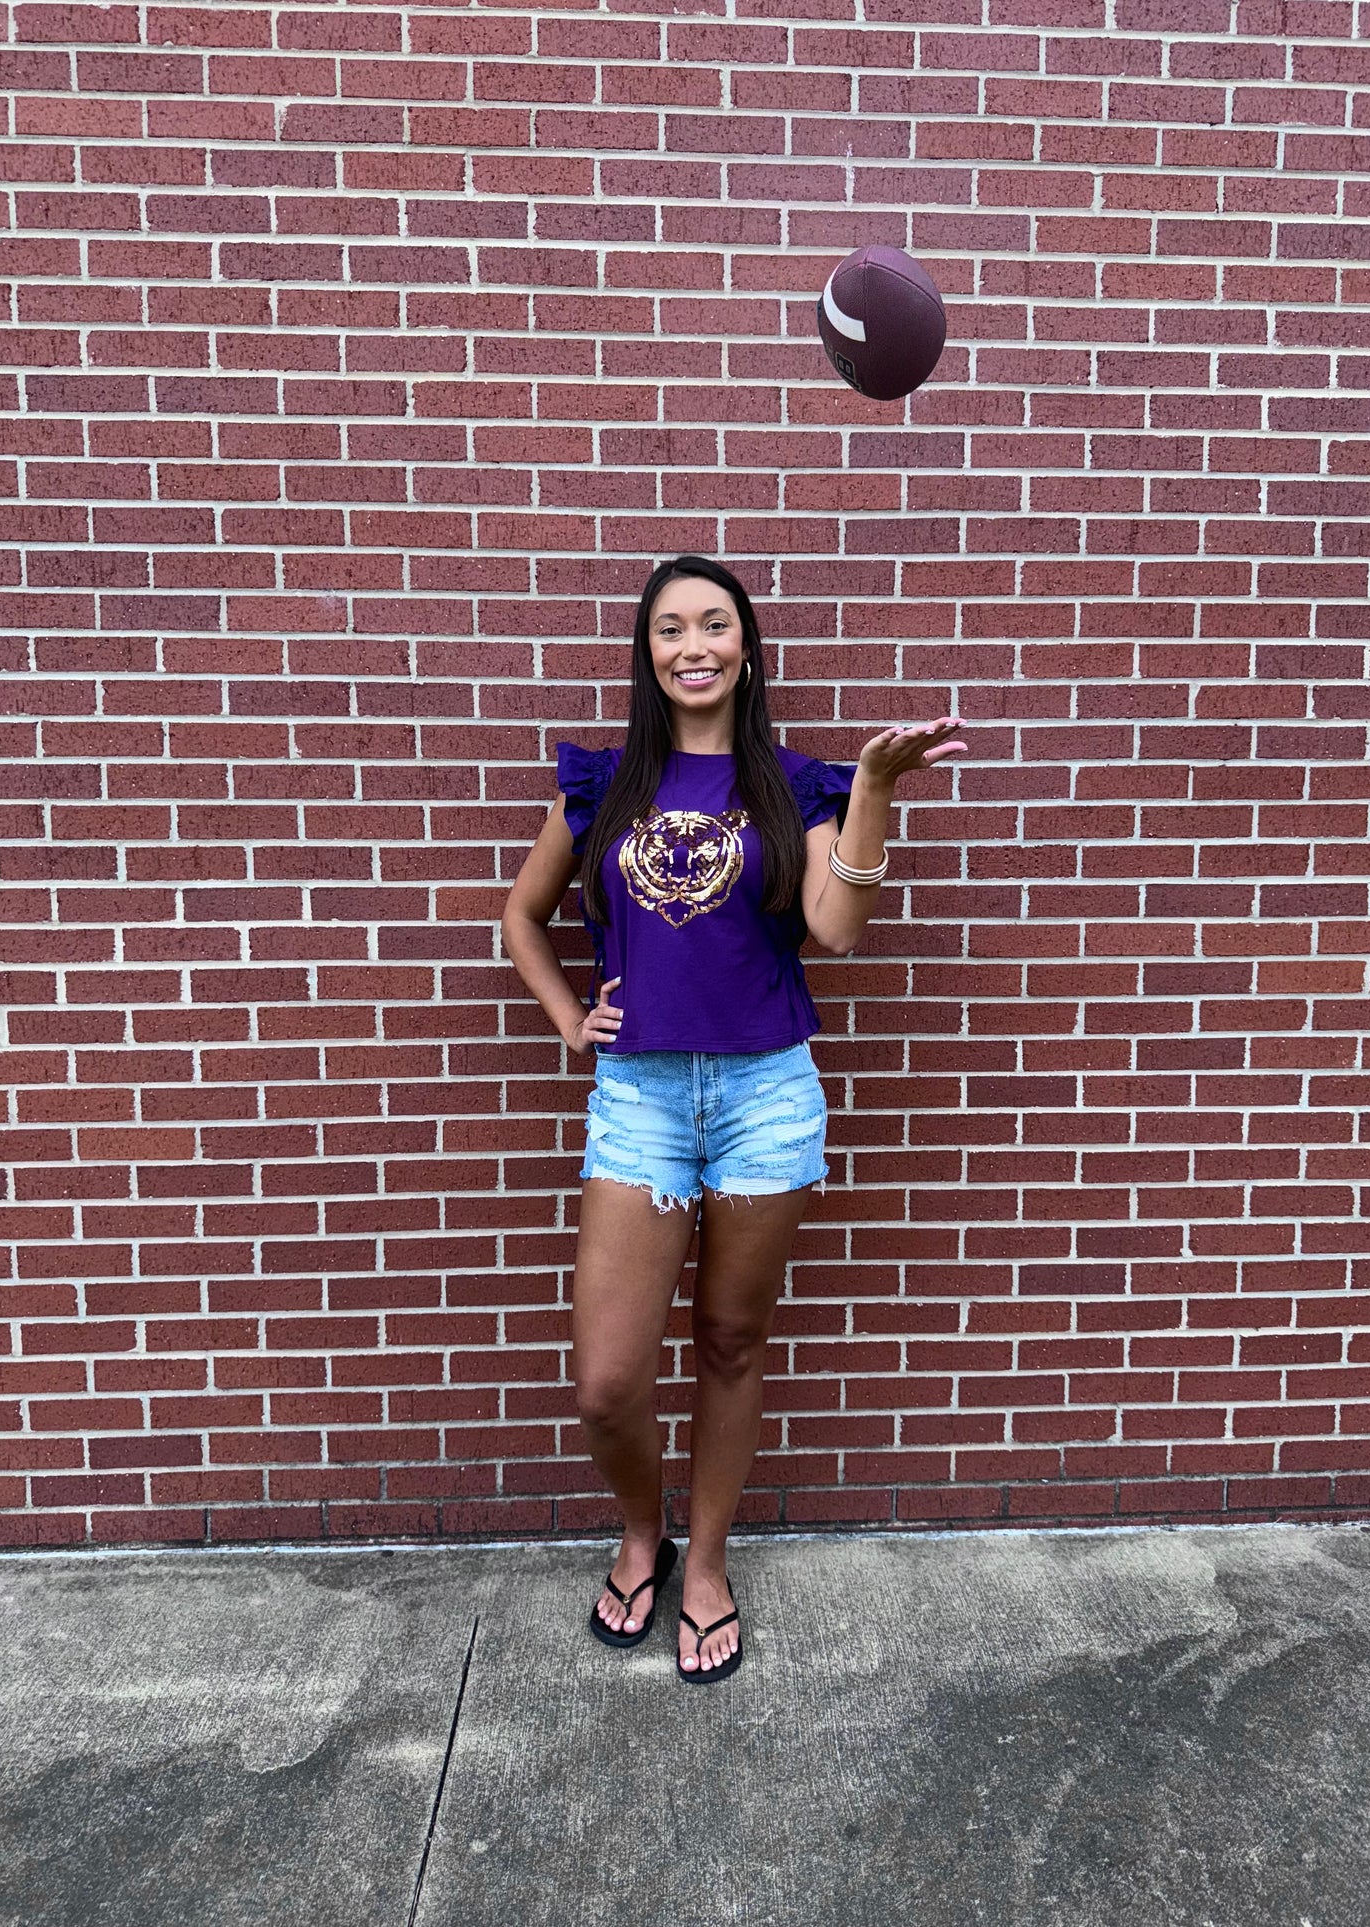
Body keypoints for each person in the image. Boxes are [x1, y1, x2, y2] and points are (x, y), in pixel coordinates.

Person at [500, 554, 968, 1682]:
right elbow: (521, 915)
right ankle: (640, 1529)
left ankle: (702, 1563)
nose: (693, 644)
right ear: (647, 653)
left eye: (715, 624)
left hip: (764, 1092)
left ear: (746, 650)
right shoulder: (600, 785)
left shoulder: (791, 784)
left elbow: (835, 928)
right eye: (670, 628)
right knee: (607, 1379)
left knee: (727, 1341)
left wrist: (868, 794)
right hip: (642, 1098)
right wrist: (573, 1019)